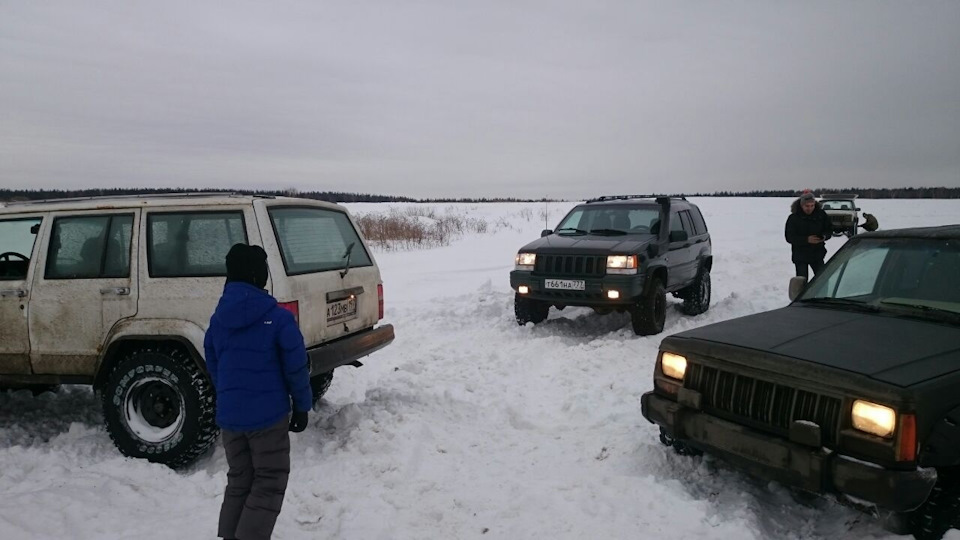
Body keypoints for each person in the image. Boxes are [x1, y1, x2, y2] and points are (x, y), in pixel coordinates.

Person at [204, 243, 312, 540]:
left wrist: (231, 397)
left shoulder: (217, 320)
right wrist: (302, 405)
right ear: (258, 276)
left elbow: (214, 365)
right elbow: (296, 366)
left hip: (231, 418)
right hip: (268, 419)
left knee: (240, 480)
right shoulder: (278, 319)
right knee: (269, 481)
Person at [784, 190, 833, 280]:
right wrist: (806, 240)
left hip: (817, 254)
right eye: (807, 206)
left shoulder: (821, 215)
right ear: (801, 205)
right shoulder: (793, 218)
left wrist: (824, 237)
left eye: (812, 205)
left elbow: (829, 230)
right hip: (800, 256)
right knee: (801, 283)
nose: (809, 208)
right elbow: (789, 237)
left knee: (822, 280)